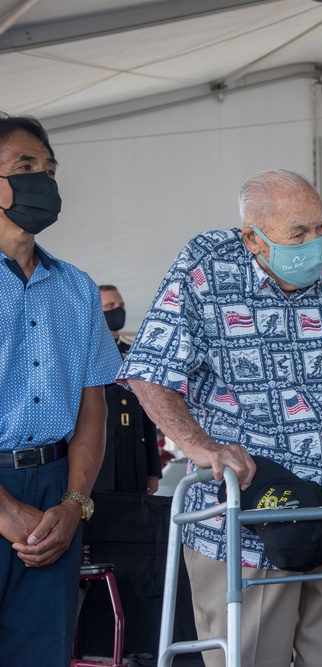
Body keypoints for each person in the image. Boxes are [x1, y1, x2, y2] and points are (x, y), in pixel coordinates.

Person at [117, 169, 322, 667]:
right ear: (253, 237)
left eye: (321, 226)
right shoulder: (205, 266)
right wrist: (200, 445)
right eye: (298, 233)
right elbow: (148, 371)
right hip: (248, 519)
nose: (317, 243)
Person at [0, 112, 122, 664]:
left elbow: (92, 404)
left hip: (55, 495)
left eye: (49, 169)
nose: (42, 181)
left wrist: (74, 504)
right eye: (25, 166)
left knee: (42, 652)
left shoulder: (74, 287)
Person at [95, 284, 161, 494]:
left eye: (121, 304)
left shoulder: (134, 353)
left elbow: (147, 413)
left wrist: (153, 469)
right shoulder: (87, 354)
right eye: (111, 305)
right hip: (101, 458)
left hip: (134, 455)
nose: (118, 309)